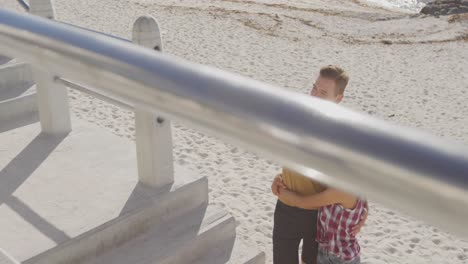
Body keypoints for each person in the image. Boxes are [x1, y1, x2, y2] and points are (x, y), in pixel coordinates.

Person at [271, 65, 367, 264]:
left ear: (338, 98)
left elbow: (355, 175)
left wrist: (363, 212)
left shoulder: (341, 133)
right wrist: (279, 177)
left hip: (318, 215)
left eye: (323, 92)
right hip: (286, 207)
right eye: (314, 88)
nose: (314, 95)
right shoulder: (295, 117)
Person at [276, 182, 367, 264]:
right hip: (329, 253)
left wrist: (280, 190)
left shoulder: (342, 190)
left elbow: (303, 202)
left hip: (340, 258)